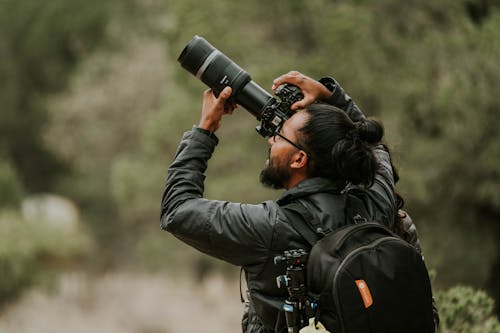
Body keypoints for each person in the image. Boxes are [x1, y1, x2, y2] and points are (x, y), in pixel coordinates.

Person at [160, 71, 396, 333]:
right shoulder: (374, 206)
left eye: (280, 134)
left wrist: (206, 129)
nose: (271, 139)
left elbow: (177, 210)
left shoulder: (271, 227)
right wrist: (332, 96)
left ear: (299, 159)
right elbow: (375, 146)